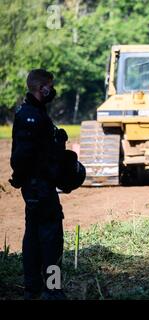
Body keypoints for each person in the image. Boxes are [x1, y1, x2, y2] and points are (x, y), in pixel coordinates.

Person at [9, 69, 67, 300]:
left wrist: (57, 141)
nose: (51, 90)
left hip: (35, 185)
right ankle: (52, 289)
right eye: (49, 85)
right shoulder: (31, 115)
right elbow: (24, 154)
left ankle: (32, 289)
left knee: (32, 236)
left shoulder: (33, 112)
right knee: (51, 239)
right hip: (39, 186)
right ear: (41, 87)